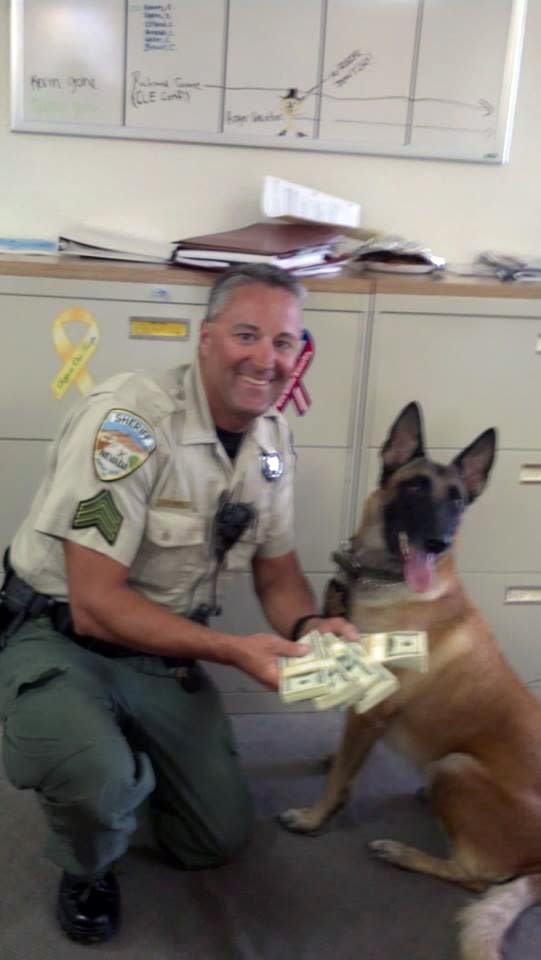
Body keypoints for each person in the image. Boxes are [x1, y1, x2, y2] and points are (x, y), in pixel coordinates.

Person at [0, 263, 357, 945]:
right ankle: (86, 861)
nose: (265, 359)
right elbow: (95, 605)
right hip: (63, 636)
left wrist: (310, 627)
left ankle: (124, 748)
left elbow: (277, 576)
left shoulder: (273, 442)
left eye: (283, 343)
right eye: (246, 335)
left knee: (214, 838)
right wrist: (230, 650)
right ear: (205, 337)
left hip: (161, 652)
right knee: (97, 787)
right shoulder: (129, 423)